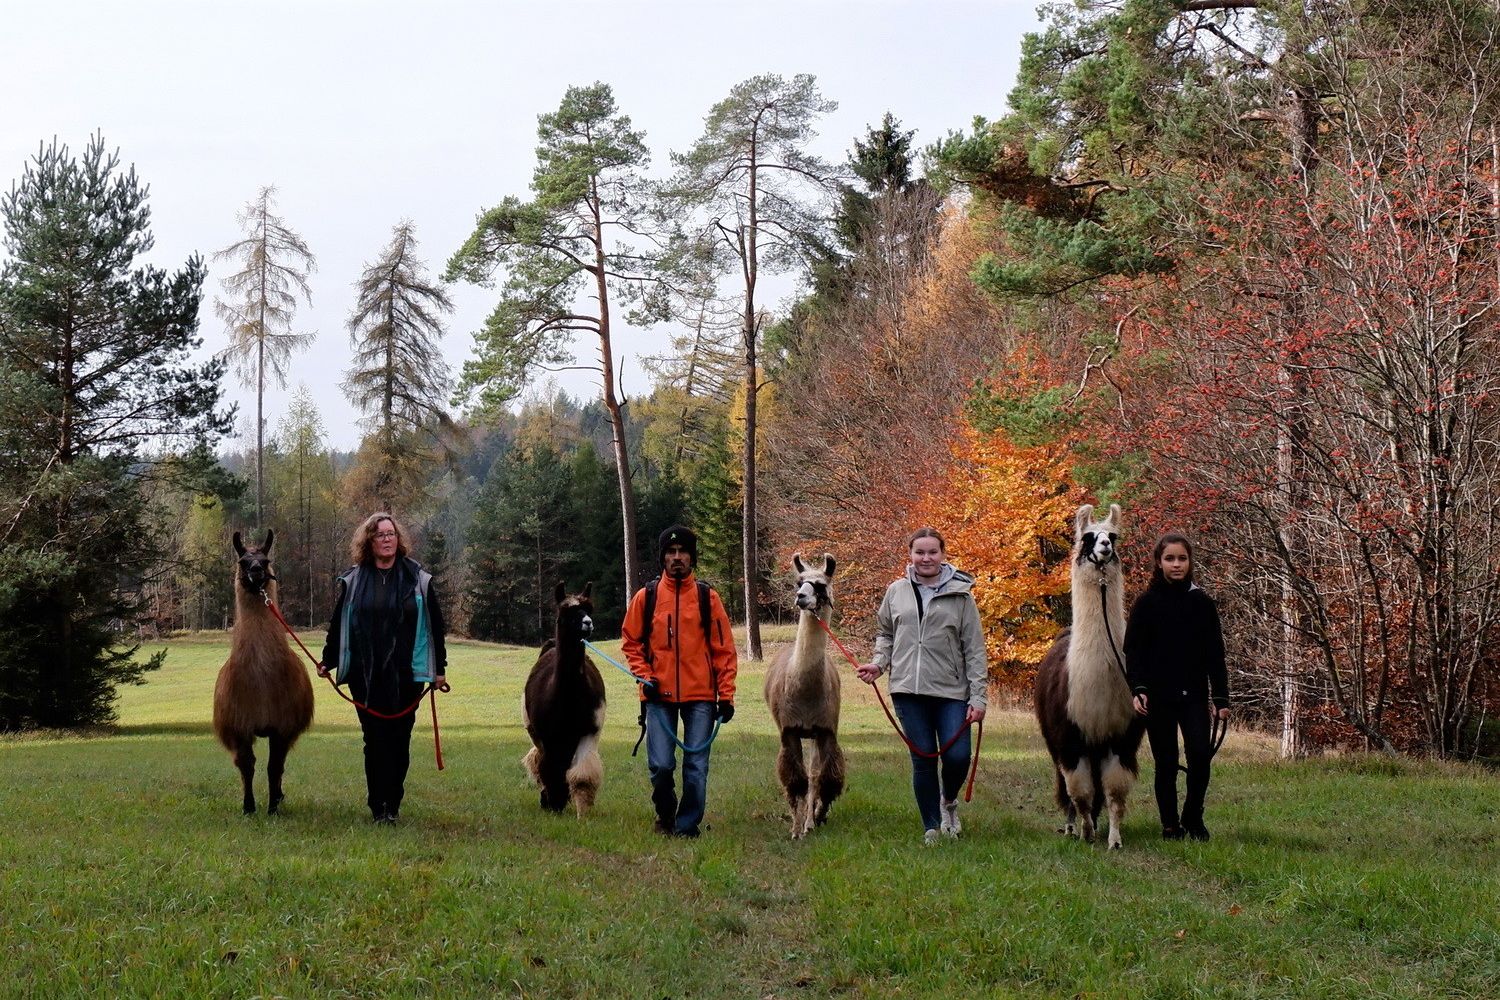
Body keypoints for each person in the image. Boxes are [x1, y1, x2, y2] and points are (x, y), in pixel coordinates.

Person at [857, 527, 988, 845]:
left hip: (951, 692)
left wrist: (979, 696)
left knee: (957, 757)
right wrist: (878, 663)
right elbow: (885, 633)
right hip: (907, 690)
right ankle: (931, 827)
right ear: (911, 555)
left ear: (943, 555)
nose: (926, 558)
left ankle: (949, 803)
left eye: (932, 552)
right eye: (920, 552)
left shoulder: (961, 596)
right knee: (924, 757)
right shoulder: (896, 592)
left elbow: (974, 649)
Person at [320, 512, 448, 823]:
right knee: (374, 739)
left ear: (398, 539)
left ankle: (393, 802)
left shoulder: (418, 579)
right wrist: (329, 659)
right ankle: (378, 806)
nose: (387, 539)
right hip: (366, 674)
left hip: (407, 675)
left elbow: (435, 625)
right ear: (369, 541)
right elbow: (339, 623)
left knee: (399, 739)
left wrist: (439, 668)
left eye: (391, 533)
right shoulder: (353, 580)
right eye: (380, 534)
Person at [620, 524, 738, 838]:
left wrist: (725, 696)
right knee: (660, 766)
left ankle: (687, 827)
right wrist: (644, 677)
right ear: (662, 557)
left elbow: (724, 649)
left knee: (696, 768)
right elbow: (631, 641)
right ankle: (665, 813)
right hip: (658, 696)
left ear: (691, 557)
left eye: (682, 552)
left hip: (700, 696)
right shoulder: (646, 597)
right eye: (670, 552)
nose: (676, 558)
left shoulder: (706, 598)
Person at [1125, 532, 1230, 842]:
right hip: (1157, 698)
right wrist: (1138, 687)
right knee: (1166, 762)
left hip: (1194, 695)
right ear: (1159, 562)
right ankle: (1170, 824)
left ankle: (1193, 816)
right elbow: (1134, 651)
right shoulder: (1145, 604)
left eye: (1182, 558)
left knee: (1200, 754)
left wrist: (1221, 697)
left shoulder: (1202, 603)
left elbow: (1215, 653)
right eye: (1169, 558)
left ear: (1190, 562)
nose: (1176, 564)